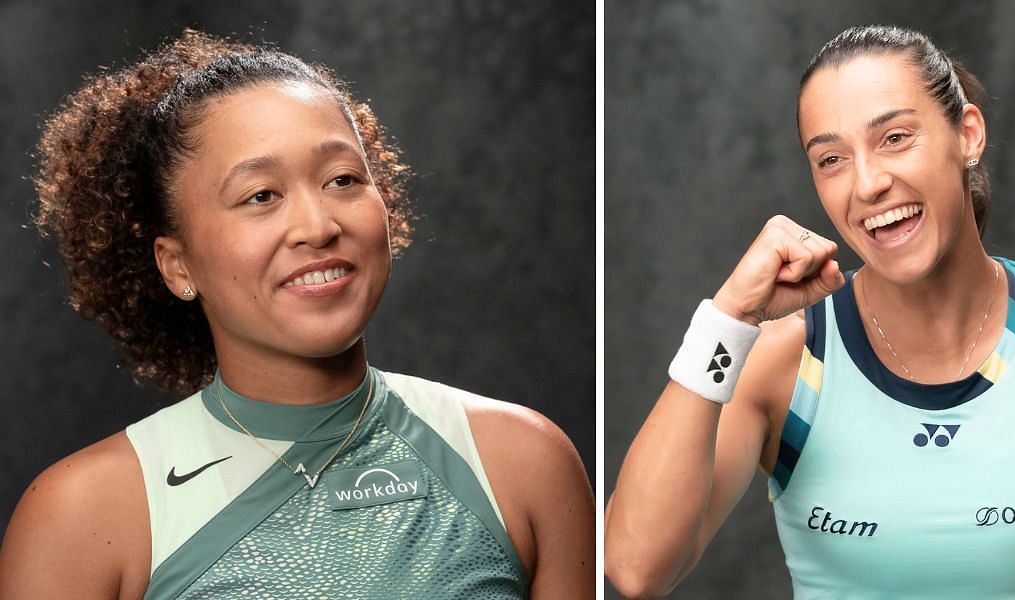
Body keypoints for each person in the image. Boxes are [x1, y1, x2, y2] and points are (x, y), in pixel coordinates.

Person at [0, 30, 593, 599]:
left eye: (342, 179)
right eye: (261, 195)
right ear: (177, 265)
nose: (317, 226)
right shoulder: (83, 514)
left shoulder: (523, 462)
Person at [605, 24, 1015, 599]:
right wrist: (728, 318)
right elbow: (635, 569)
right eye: (831, 159)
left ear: (968, 135)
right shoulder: (783, 357)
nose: (869, 183)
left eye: (896, 138)